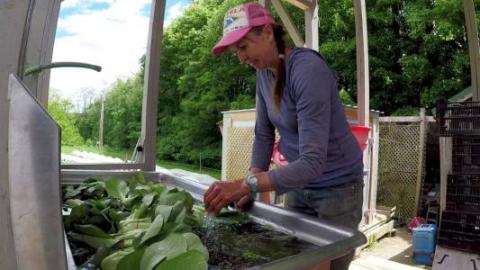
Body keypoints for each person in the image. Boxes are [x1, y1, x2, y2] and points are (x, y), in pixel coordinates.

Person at [204, 2, 364, 269]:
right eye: (236, 52)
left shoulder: (307, 70)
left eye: (243, 47)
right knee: (295, 260)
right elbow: (264, 133)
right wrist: (252, 181)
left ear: (268, 32)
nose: (241, 58)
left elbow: (313, 162)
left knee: (327, 265)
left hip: (339, 189)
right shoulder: (264, 75)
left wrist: (246, 185)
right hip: (299, 186)